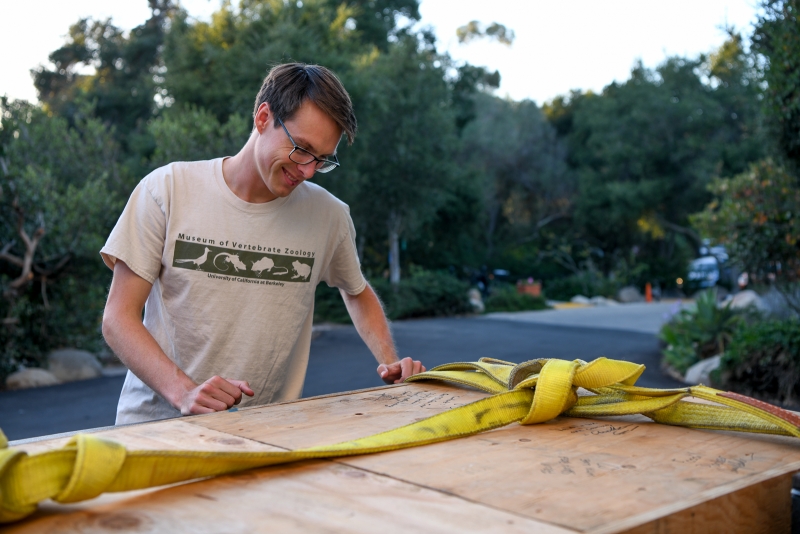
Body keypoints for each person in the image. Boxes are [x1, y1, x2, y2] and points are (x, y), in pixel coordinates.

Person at [101, 63, 425, 425]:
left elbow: (357, 291)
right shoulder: (167, 190)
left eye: (321, 159)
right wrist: (184, 391)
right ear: (263, 117)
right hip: (153, 431)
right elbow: (118, 318)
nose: (307, 170)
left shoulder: (328, 216)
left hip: (267, 436)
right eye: (301, 148)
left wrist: (389, 360)